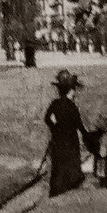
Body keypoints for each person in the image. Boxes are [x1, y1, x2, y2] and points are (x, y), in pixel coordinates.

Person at [44, 68, 86, 197]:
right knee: (71, 161)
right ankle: (71, 183)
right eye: (74, 89)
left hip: (58, 138)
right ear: (71, 90)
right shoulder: (72, 106)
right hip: (71, 139)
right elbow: (79, 125)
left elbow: (47, 118)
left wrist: (54, 127)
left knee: (58, 163)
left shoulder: (55, 103)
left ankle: (57, 187)